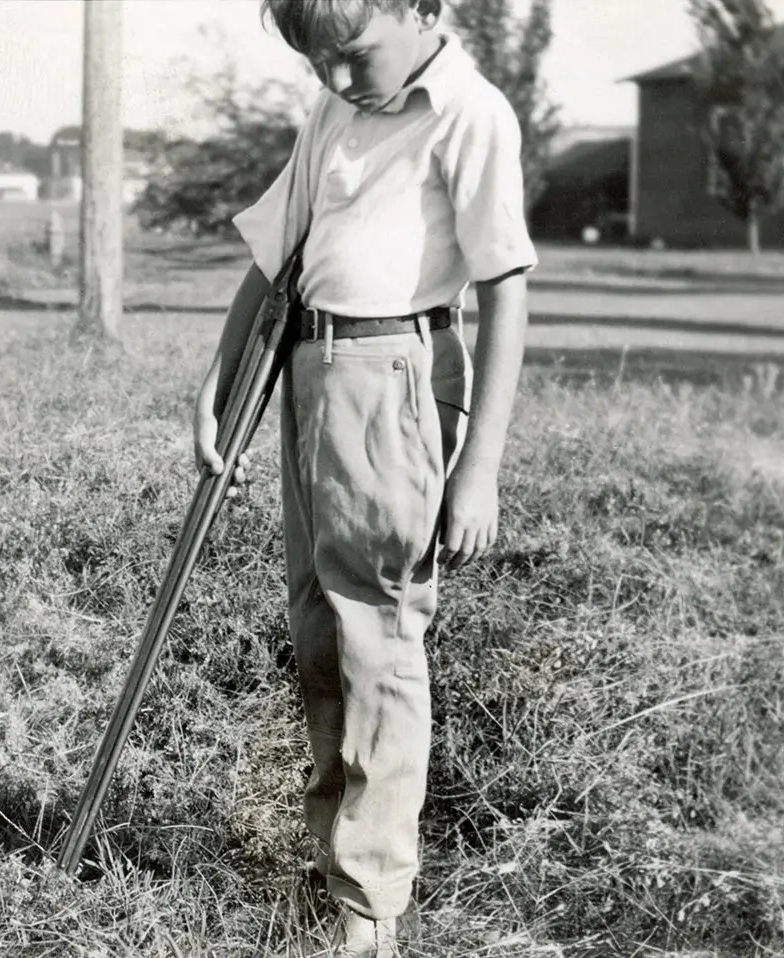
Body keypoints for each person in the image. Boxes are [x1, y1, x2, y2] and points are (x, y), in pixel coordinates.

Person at [191, 1, 536, 954]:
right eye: (317, 63)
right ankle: (337, 858)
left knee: (376, 632)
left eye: (351, 55)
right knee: (317, 626)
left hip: (395, 378)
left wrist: (481, 469)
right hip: (310, 369)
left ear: (419, 6)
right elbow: (276, 255)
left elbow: (507, 292)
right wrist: (221, 381)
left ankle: (371, 906)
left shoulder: (470, 112)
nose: (336, 80)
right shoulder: (333, 110)